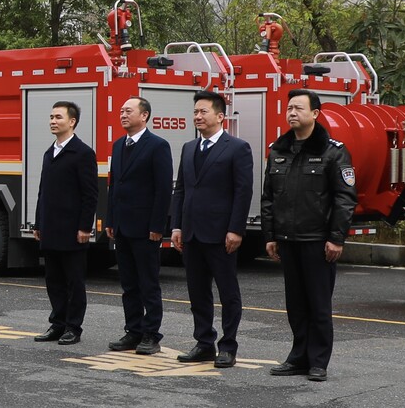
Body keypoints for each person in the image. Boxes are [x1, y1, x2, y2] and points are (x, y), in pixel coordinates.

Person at [262, 89, 357, 382]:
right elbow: (269, 197)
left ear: (315, 114)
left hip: (317, 241)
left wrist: (336, 238)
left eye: (299, 108)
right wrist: (271, 235)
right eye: (289, 108)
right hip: (288, 240)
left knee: (318, 304)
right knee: (296, 305)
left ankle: (318, 361)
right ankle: (298, 357)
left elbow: (345, 198)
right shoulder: (279, 149)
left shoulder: (333, 150)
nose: (292, 113)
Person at [170, 90, 254, 368]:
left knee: (228, 292)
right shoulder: (189, 148)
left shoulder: (237, 147)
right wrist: (177, 226)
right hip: (192, 233)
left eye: (203, 111)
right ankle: (204, 342)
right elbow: (181, 189)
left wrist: (236, 229)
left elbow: (243, 192)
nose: (197, 116)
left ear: (220, 116)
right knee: (197, 292)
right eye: (195, 111)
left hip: (221, 234)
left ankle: (228, 346)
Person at [105, 96, 173, 355]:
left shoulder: (157, 146)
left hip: (146, 228)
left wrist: (158, 225)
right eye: (121, 111)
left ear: (144, 116)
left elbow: (163, 188)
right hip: (122, 226)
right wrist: (111, 219)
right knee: (129, 284)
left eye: (128, 110)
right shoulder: (118, 145)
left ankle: (151, 334)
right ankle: (132, 331)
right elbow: (114, 186)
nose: (123, 114)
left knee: (148, 283)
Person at [32, 101, 98, 346]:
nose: (53, 121)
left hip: (72, 231)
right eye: (51, 117)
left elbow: (90, 194)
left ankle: (73, 327)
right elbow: (42, 192)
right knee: (54, 280)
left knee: (74, 282)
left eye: (58, 117)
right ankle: (57, 323)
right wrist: (38, 223)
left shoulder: (82, 153)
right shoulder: (50, 152)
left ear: (72, 122)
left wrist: (84, 226)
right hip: (50, 228)